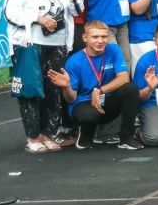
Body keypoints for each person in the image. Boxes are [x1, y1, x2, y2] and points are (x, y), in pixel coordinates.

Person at [6, 0, 79, 152]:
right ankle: (34, 137)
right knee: (31, 91)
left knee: (53, 91)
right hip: (29, 47)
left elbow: (76, 11)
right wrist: (37, 18)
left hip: (57, 46)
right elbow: (10, 14)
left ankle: (48, 133)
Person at [48, 20, 142, 151]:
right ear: (85, 38)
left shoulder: (114, 50)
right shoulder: (74, 61)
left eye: (104, 37)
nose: (100, 41)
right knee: (89, 115)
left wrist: (100, 90)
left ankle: (127, 138)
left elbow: (124, 78)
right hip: (84, 104)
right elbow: (71, 99)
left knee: (131, 89)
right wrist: (67, 86)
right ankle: (85, 135)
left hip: (107, 102)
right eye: (95, 37)